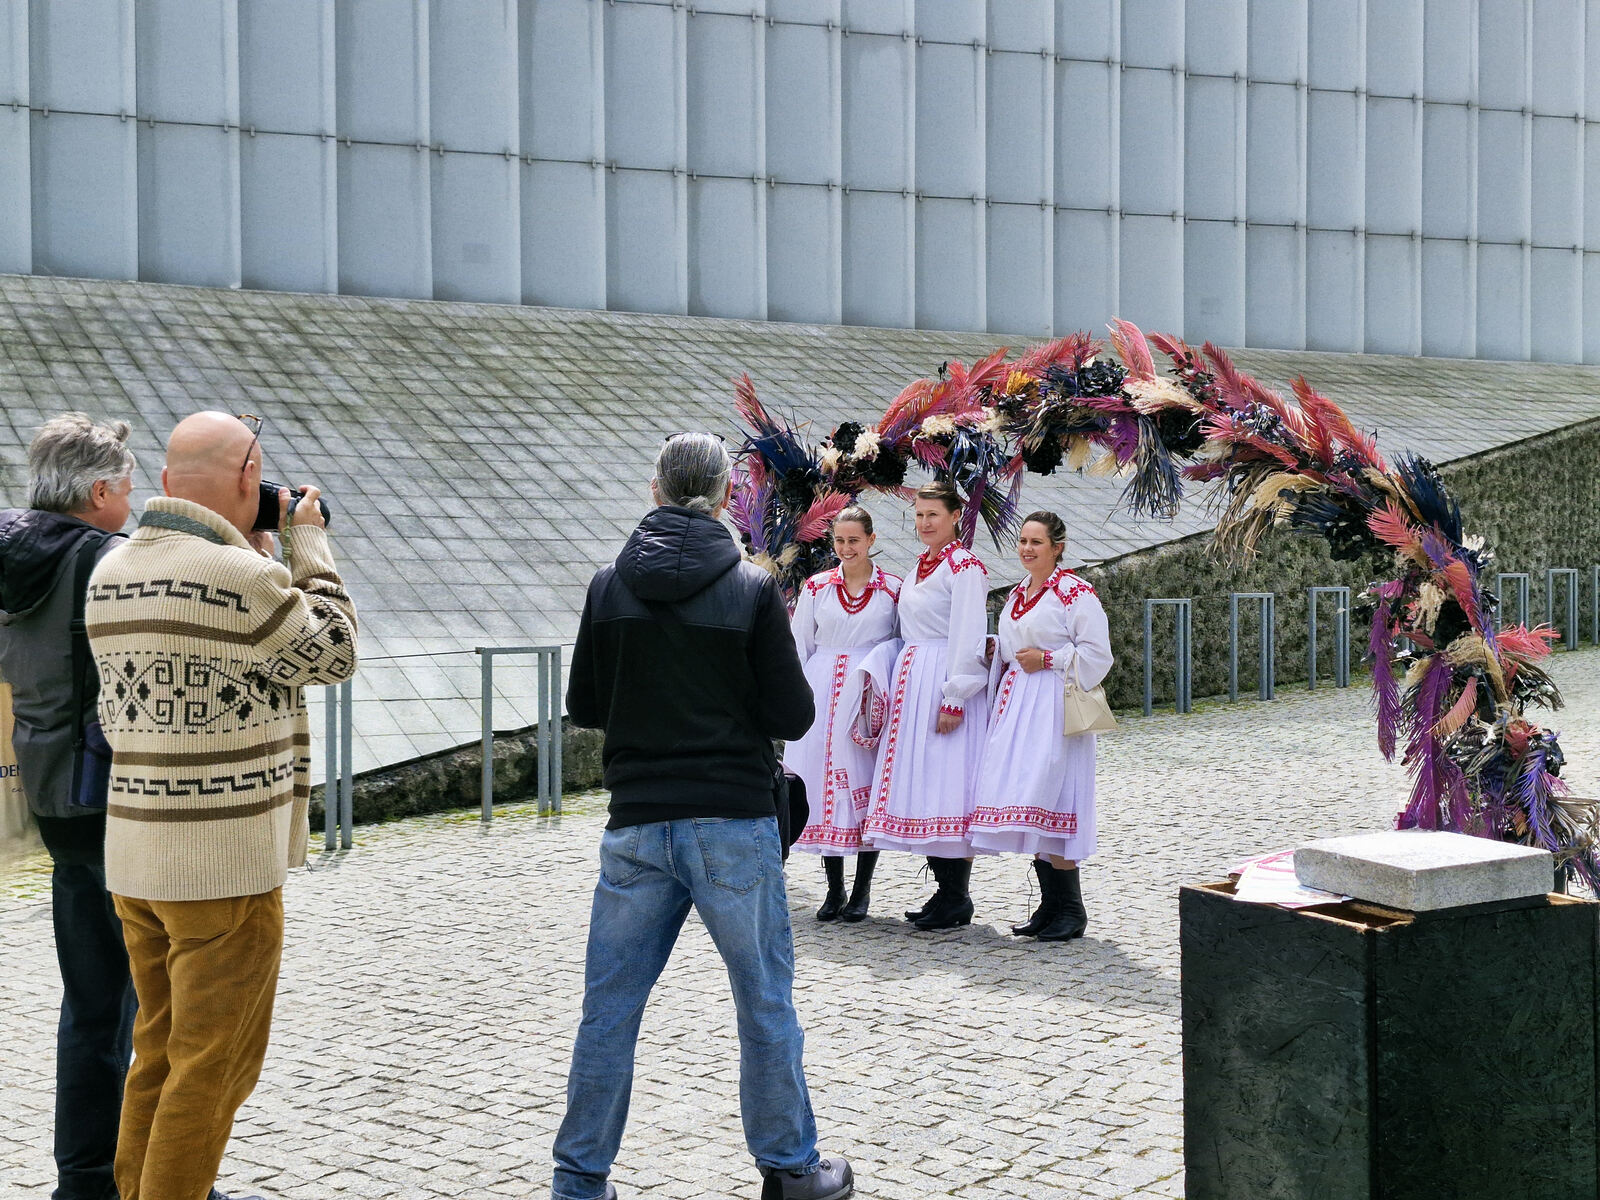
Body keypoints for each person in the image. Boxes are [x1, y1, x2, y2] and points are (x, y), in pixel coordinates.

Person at [555, 432, 855, 1200]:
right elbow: (791, 713)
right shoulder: (752, 590)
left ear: (654, 490)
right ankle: (790, 1170)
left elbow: (585, 704)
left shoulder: (606, 585)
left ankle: (580, 1183)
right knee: (762, 1000)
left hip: (636, 822)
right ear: (726, 499)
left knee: (609, 1010)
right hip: (731, 818)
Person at [84, 411, 358, 1200]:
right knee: (214, 1071)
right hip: (222, 867)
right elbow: (334, 651)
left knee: (160, 1056)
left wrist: (255, 551)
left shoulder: (114, 571)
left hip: (136, 858)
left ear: (166, 484)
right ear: (249, 477)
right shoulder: (241, 581)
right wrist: (306, 545)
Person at [0, 414, 138, 1200]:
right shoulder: (109, 562)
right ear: (96, 491)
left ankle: (85, 1181)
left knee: (91, 1003)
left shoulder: (11, 555)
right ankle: (164, 1177)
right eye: (124, 485)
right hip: (120, 800)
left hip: (51, 797)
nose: (131, 499)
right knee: (162, 1007)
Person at [969, 511, 1113, 940]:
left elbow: (1097, 655)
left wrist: (1048, 659)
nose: (1028, 549)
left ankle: (1072, 908)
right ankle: (1051, 905)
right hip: (1018, 706)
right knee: (1028, 795)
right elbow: (1014, 647)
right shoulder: (1017, 594)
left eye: (1037, 542)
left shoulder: (1075, 593)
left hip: (1055, 705)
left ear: (1057, 547)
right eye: (1023, 542)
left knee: (1054, 793)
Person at [860, 481, 991, 931]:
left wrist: (956, 695)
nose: (924, 523)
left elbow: (969, 632)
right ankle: (945, 891)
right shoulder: (920, 566)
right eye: (918, 515)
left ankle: (957, 896)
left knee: (946, 782)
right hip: (914, 676)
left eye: (933, 514)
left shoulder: (964, 567)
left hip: (942, 677)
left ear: (955, 516)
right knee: (923, 782)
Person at [784, 506, 900, 922]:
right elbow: (799, 646)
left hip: (867, 694)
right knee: (820, 788)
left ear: (870, 539)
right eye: (839, 540)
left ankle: (862, 890)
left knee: (864, 786)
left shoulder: (892, 590)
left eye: (854, 540)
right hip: (821, 691)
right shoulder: (816, 588)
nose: (846, 548)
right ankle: (833, 889)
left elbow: (900, 642)